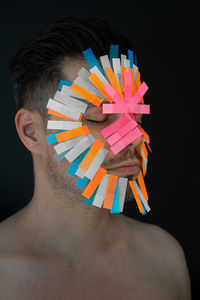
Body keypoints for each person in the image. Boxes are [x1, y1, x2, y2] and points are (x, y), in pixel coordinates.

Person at [0, 16, 191, 299]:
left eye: (135, 115)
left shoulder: (165, 257)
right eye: (99, 117)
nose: (134, 137)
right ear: (32, 133)